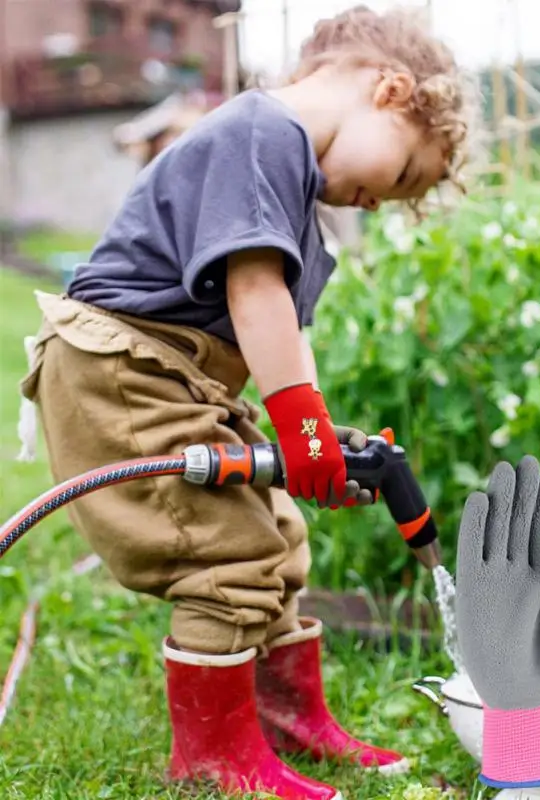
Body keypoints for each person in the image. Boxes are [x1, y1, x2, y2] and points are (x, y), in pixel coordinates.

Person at [18, 6, 471, 799]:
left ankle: (287, 718)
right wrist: (300, 429)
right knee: (223, 547)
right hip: (122, 366)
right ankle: (212, 761)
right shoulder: (264, 132)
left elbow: (284, 338)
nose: (377, 203)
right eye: (403, 176)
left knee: (277, 535)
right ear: (392, 91)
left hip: (177, 375)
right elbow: (254, 290)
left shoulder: (289, 183)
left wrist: (318, 431)